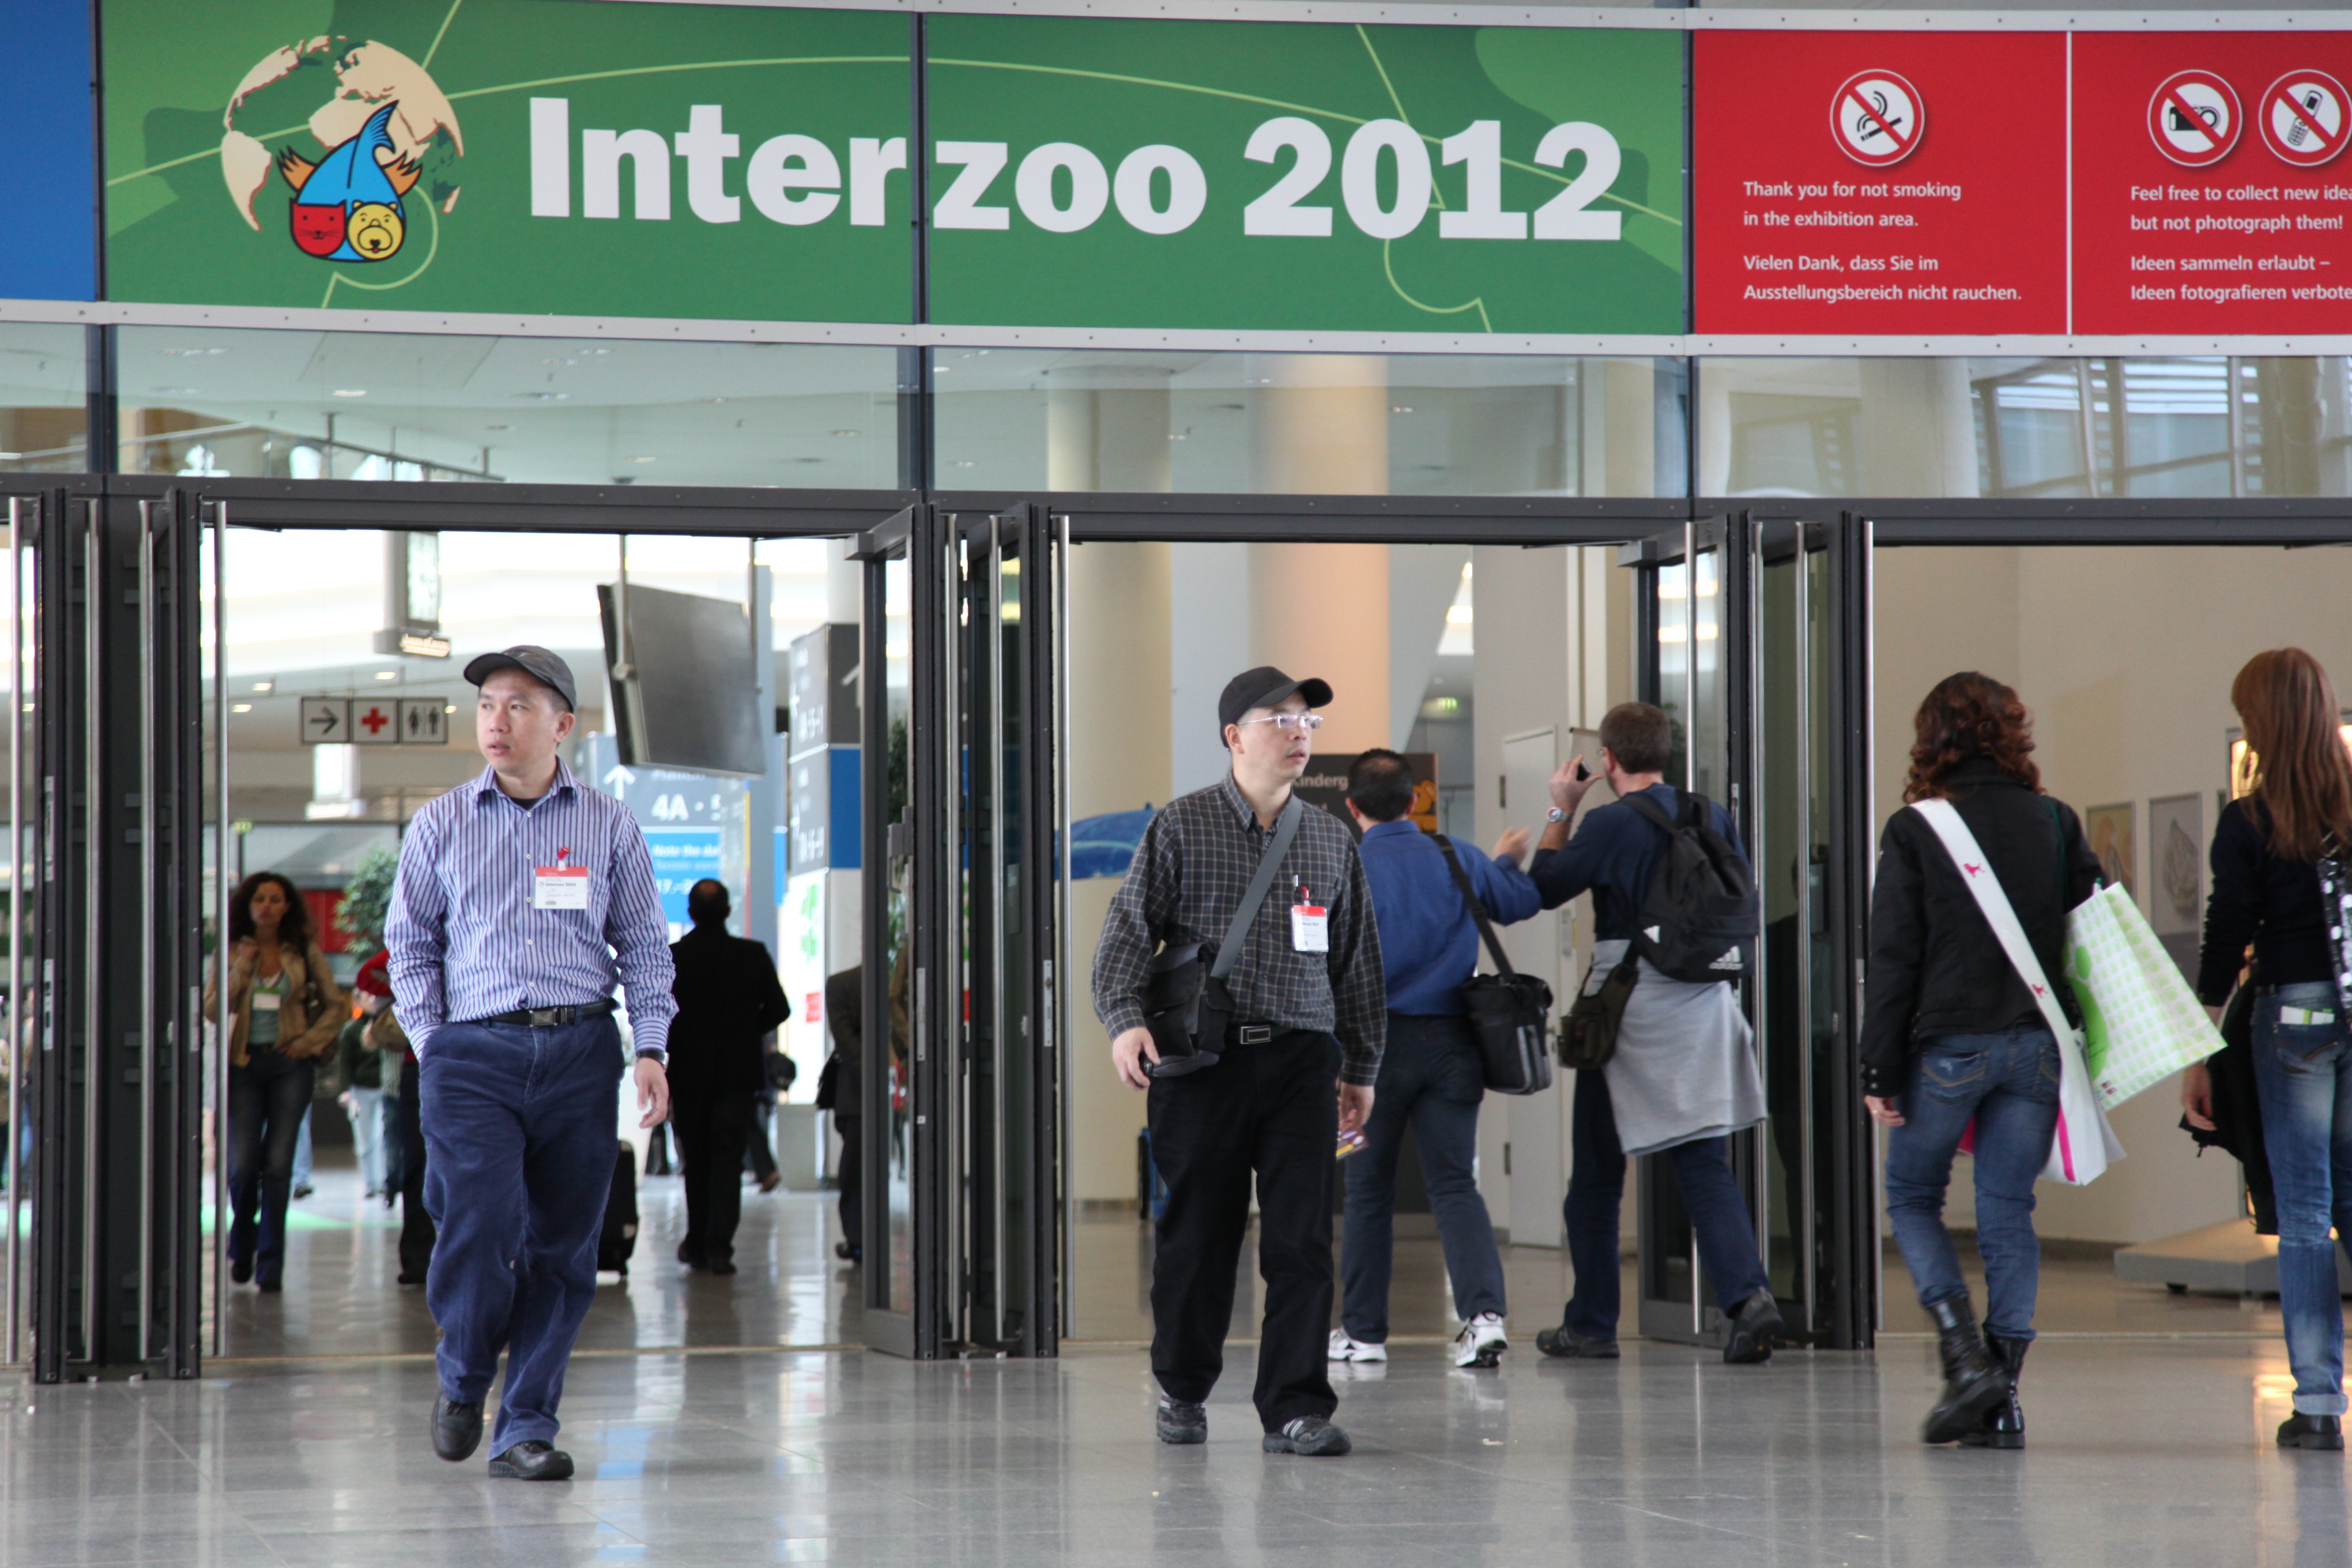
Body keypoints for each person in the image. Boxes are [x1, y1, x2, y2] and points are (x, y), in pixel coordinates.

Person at [386, 644, 676, 1482]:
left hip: (582, 1052)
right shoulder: (441, 822)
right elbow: (409, 947)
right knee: (477, 1230)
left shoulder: (608, 824)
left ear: (562, 725)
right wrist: (435, 1043)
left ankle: (526, 1427)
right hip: (471, 1053)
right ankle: (467, 1374)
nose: (497, 720)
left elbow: (646, 948)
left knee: (564, 1250)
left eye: (517, 704)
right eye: (485, 706)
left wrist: (651, 1045)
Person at [1094, 665, 1383, 1458]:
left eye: (1308, 722)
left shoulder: (1330, 837)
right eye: (1280, 719)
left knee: (1300, 1241)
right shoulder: (1182, 828)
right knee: (1198, 1236)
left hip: (1301, 1062)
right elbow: (1124, 936)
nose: (1299, 733)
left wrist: (1360, 1068)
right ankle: (1183, 1389)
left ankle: (1295, 1406)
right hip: (1202, 1065)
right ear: (1234, 736)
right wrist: (1124, 1024)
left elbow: (1357, 963)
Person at [1861, 673, 2101, 1447]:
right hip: (2037, 1045)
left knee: (1910, 1195)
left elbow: (1892, 958)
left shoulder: (1916, 829)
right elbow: (2095, 929)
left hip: (1950, 1045)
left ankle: (1967, 1362)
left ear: (1933, 739)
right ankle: (2003, 1401)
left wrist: (1878, 1070)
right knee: (2008, 1212)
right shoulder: (2056, 823)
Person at [1525, 702, 1782, 1365]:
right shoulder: (1709, 814)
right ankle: (1749, 1299)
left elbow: (1546, 886)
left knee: (1597, 1174)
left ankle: (1591, 1322)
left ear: (1608, 759)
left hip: (1631, 1008)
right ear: (1664, 753)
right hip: (1706, 1002)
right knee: (1703, 1162)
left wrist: (1560, 808)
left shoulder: (1610, 822)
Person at [2186, 649, 2352, 1452]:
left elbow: (2226, 940)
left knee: (2305, 1217)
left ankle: (2319, 1403)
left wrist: (2195, 1049)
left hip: (2294, 1022)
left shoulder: (2251, 821)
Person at [1326, 748, 1537, 1371]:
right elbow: (1519, 901)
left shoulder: (1346, 865)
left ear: (1351, 806)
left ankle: (1363, 1334)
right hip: (1453, 1047)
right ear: (1417, 799)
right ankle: (1484, 1317)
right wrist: (1505, 861)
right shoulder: (1457, 855)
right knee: (1454, 1183)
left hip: (1368, 1055)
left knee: (1366, 1188)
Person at [203, 872, 344, 1293]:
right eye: (260, 899)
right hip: (243, 1066)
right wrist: (243, 966)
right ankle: (242, 1243)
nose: (267, 906)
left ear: (287, 907)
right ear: (248, 906)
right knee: (244, 1167)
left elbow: (335, 1007)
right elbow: (213, 1008)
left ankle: (271, 1266)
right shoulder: (229, 951)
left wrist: (307, 1043)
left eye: (276, 899)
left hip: (290, 1067)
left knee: (279, 1167)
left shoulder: (303, 950)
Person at [667, 878, 792, 1275]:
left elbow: (659, 1014)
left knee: (696, 1162)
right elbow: (779, 1008)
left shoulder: (674, 958)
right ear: (728, 912)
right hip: (738, 1075)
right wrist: (745, 1030)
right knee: (728, 1161)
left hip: (689, 1075)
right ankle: (721, 1247)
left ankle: (697, 1242)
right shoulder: (751, 955)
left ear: (690, 913)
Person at [337, 952, 397, 1198]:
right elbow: (345, 1063)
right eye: (365, 996)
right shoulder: (352, 1030)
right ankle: (372, 1183)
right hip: (361, 1089)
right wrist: (345, 1090)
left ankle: (384, 1182)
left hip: (383, 1087)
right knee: (365, 1141)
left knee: (382, 1137)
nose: (371, 999)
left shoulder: (386, 1021)